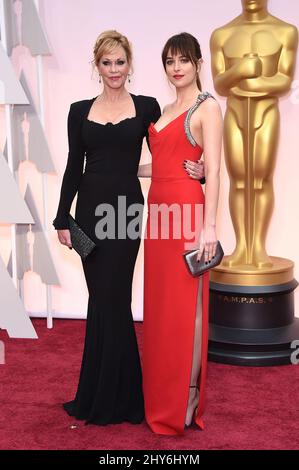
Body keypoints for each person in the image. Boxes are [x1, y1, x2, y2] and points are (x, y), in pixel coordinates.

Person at [53, 30, 204, 426]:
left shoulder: (147, 107)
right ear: (97, 65)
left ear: (129, 64)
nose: (114, 69)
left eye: (120, 62)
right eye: (107, 62)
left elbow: (169, 154)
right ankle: (97, 395)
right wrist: (60, 217)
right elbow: (74, 166)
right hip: (87, 214)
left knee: (115, 298)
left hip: (126, 214)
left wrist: (201, 170)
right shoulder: (78, 110)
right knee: (99, 299)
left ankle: (121, 399)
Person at [143, 32, 223, 435]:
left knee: (187, 308)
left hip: (188, 215)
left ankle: (188, 392)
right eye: (170, 61)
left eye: (184, 60)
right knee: (160, 309)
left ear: (197, 63)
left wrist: (209, 227)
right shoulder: (164, 108)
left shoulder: (206, 107)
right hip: (158, 216)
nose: (176, 68)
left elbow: (217, 168)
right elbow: (158, 164)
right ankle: (162, 393)